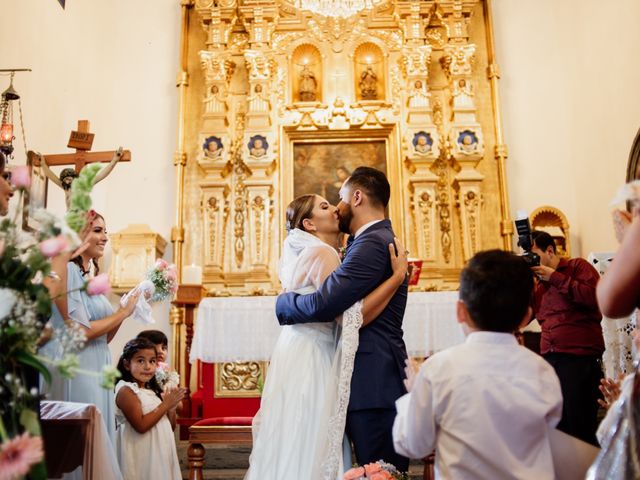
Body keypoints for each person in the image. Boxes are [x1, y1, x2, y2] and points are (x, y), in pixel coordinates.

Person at [247, 193, 408, 479]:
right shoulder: (324, 253)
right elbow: (344, 315)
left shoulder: (313, 252)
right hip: (316, 353)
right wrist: (396, 279)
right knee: (316, 432)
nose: (335, 208)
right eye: (324, 206)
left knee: (301, 431)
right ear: (309, 224)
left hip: (300, 348)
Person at [393, 249, 562, 479]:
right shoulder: (542, 371)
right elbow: (548, 430)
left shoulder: (439, 370)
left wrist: (414, 394)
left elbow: (413, 445)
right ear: (526, 316)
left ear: (460, 311)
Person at [39, 211, 141, 443]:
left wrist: (124, 312)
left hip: (97, 364)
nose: (104, 237)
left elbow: (103, 338)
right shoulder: (69, 272)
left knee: (98, 437)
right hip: (78, 365)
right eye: (97, 231)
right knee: (84, 439)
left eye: (105, 231)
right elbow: (81, 332)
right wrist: (121, 312)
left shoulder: (90, 279)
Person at [530, 230, 604, 445]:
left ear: (550, 250)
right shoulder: (536, 285)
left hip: (578, 358)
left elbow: (595, 297)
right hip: (550, 360)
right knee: (557, 427)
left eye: (534, 255)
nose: (531, 261)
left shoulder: (578, 267)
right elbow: (523, 316)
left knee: (578, 427)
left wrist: (553, 277)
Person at [114, 338, 185, 480]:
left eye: (152, 361)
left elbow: (169, 426)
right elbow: (140, 425)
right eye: (141, 361)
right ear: (127, 364)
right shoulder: (126, 390)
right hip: (141, 453)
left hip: (160, 451)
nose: (148, 367)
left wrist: (171, 408)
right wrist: (165, 405)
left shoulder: (152, 391)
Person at [39, 148, 124, 210]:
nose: (68, 182)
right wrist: (43, 164)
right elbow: (50, 176)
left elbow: (102, 174)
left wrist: (114, 160)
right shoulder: (66, 188)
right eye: (65, 180)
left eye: (69, 179)